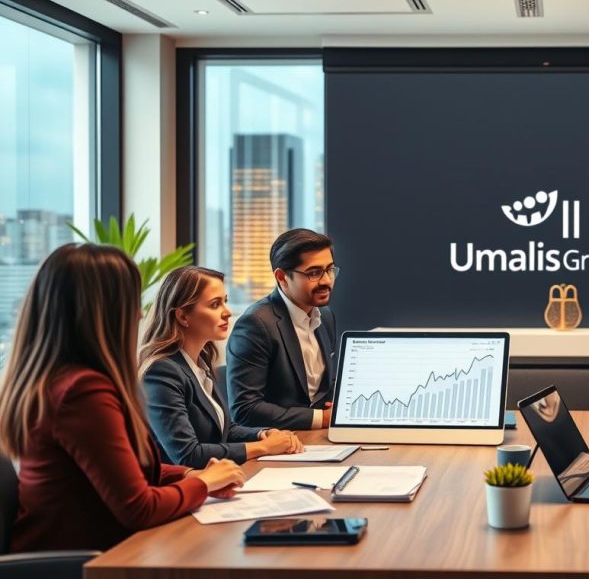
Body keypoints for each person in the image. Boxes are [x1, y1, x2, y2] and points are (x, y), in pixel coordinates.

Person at [0, 244, 245, 553]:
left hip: (93, 548)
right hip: (82, 560)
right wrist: (203, 484)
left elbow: (123, 469)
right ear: (103, 311)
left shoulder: (61, 380)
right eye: (131, 300)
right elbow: (138, 508)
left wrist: (189, 474)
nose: (140, 312)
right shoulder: (82, 392)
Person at [139, 266, 304, 469]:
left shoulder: (199, 364)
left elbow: (224, 430)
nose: (227, 312)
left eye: (225, 301)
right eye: (215, 304)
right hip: (183, 490)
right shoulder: (162, 372)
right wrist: (264, 448)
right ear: (183, 316)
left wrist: (262, 434)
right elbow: (188, 454)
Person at [228, 229, 339, 430]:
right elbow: (245, 409)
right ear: (282, 276)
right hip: (278, 443)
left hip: (319, 439)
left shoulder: (326, 316)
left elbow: (323, 388)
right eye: (314, 273)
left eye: (329, 269)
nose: (326, 281)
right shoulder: (256, 324)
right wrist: (321, 418)